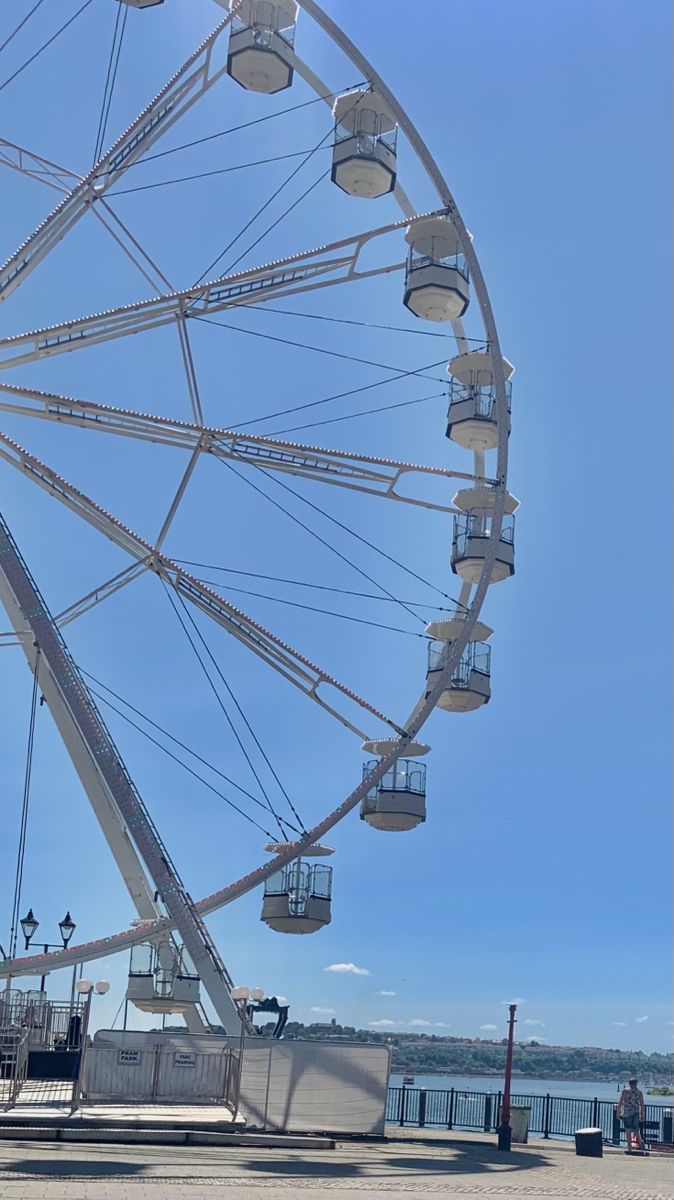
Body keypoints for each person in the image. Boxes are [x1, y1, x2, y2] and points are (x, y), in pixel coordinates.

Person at [617, 1077, 646, 1150]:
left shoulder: (625, 1091)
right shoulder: (639, 1092)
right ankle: (641, 1142)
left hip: (627, 1112)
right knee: (635, 1129)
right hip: (636, 1112)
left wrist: (618, 1112)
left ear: (629, 1083)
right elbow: (642, 1104)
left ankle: (629, 1146)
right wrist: (642, 1114)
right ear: (636, 1083)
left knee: (628, 1130)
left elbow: (620, 1102)